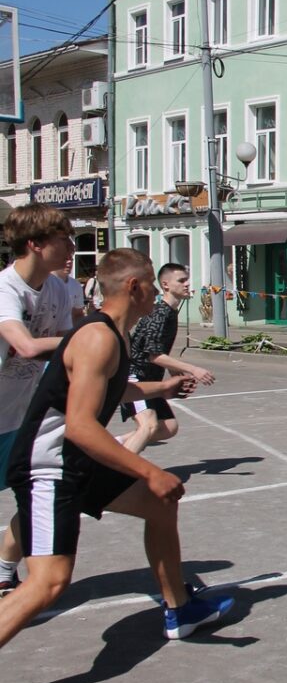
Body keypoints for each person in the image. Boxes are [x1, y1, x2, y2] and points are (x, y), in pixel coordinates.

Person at [0, 248, 233, 647]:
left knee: (159, 504)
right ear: (134, 286)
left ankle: (180, 609)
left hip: (74, 459)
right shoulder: (96, 338)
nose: (156, 296)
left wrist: (163, 387)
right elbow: (80, 427)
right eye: (150, 286)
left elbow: (108, 391)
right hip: (50, 464)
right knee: (49, 583)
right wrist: (151, 471)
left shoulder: (112, 334)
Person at [0, 203, 77, 597]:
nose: (71, 246)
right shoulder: (5, 289)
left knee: (32, 499)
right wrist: (90, 338)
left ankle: (6, 570)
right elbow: (27, 346)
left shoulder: (58, 288)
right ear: (35, 244)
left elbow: (65, 353)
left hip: (22, 418)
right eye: (63, 238)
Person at [119, 263, 216, 456]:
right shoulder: (160, 313)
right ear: (165, 285)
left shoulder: (170, 312)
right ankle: (118, 472)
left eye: (187, 279)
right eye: (182, 281)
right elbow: (152, 354)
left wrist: (174, 373)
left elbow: (157, 351)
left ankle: (114, 446)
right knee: (149, 425)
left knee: (169, 427)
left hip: (150, 380)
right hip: (135, 378)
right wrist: (193, 369)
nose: (188, 284)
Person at [52, 256, 87, 328]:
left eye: (71, 259)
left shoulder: (75, 285)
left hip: (66, 334)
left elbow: (78, 314)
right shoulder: (46, 282)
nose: (69, 262)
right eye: (65, 259)